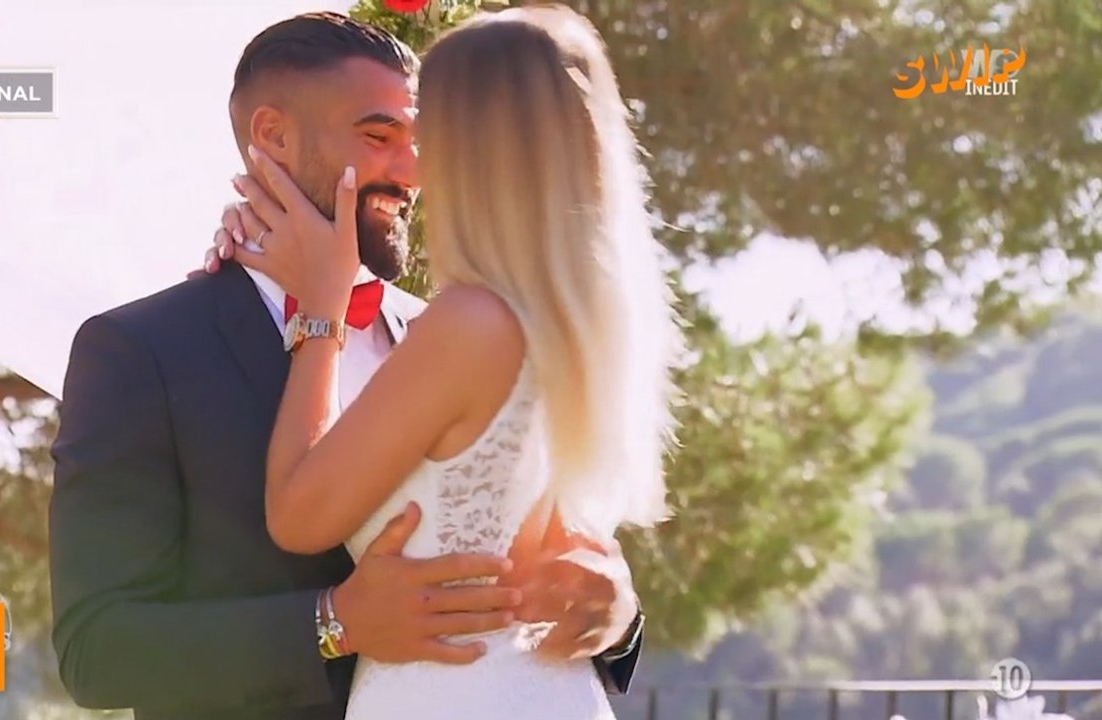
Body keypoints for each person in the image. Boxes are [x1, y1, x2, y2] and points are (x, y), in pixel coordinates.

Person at [48, 10, 659, 720]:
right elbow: (99, 652)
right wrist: (330, 622)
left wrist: (616, 612)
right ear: (272, 137)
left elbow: (552, 553)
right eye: (378, 137)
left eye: (422, 140)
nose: (412, 171)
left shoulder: (458, 331)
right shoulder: (141, 351)